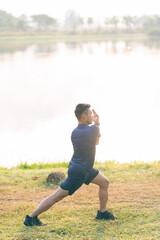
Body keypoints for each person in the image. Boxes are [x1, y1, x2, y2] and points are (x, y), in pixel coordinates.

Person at [24, 103, 116, 226]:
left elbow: (95, 141)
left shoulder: (75, 132)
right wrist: (97, 123)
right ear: (83, 116)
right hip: (80, 172)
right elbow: (98, 142)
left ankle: (102, 213)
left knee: (104, 182)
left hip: (83, 168)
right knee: (57, 196)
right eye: (90, 114)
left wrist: (96, 126)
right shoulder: (92, 129)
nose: (92, 116)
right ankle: (31, 217)